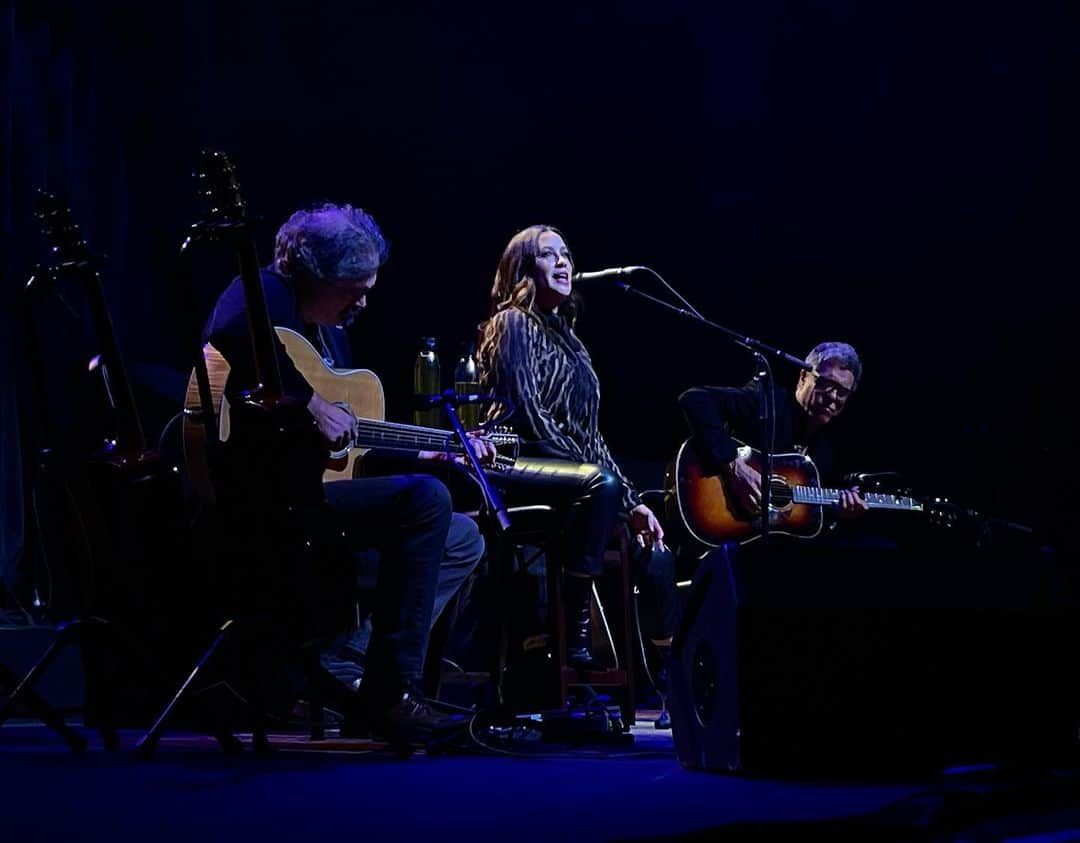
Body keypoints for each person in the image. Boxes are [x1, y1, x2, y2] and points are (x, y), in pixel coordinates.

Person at [203, 202, 490, 742]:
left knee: (463, 534)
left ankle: (349, 661)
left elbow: (349, 452)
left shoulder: (330, 335)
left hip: (314, 500)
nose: (364, 299)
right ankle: (392, 693)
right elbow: (232, 332)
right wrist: (309, 402)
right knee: (426, 502)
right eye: (354, 287)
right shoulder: (264, 291)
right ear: (316, 275)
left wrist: (426, 452)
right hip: (260, 499)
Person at [477, 224, 676, 678]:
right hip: (520, 461)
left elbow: (592, 436)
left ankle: (670, 676)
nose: (564, 262)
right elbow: (528, 416)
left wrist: (632, 502)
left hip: (579, 475)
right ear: (525, 268)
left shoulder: (573, 342)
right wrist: (595, 477)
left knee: (656, 546)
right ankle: (573, 634)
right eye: (550, 255)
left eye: (566, 253)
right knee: (599, 484)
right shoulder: (512, 324)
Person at [678, 341, 869, 522]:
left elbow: (803, 519)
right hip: (716, 514)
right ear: (803, 378)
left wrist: (839, 512)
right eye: (826, 384)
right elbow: (695, 399)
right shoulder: (767, 402)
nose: (832, 397)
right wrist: (733, 464)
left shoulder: (826, 453)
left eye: (842, 392)